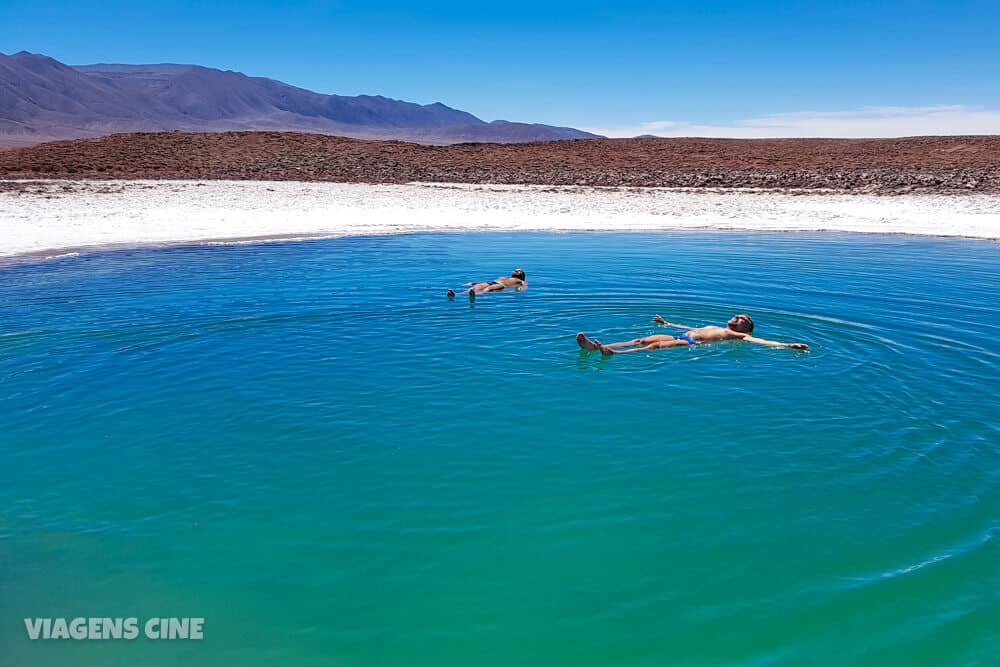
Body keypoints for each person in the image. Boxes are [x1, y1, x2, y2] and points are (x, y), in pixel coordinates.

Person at [576, 313, 809, 354]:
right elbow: (688, 327)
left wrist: (788, 345)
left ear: (745, 328)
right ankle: (596, 346)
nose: (737, 318)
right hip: (682, 336)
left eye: (742, 319)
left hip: (689, 345)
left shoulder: (740, 336)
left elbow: (763, 341)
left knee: (652, 347)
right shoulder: (714, 326)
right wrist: (667, 324)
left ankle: (613, 354)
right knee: (641, 338)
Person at [448, 269, 526, 301]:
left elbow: (524, 285)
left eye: (518, 271)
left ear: (522, 275)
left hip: (502, 285)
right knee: (474, 287)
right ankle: (457, 294)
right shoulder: (504, 277)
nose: (516, 271)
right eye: (515, 270)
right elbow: (486, 281)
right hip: (491, 282)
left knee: (487, 289)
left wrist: (520, 289)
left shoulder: (520, 280)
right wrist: (473, 283)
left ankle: (475, 295)